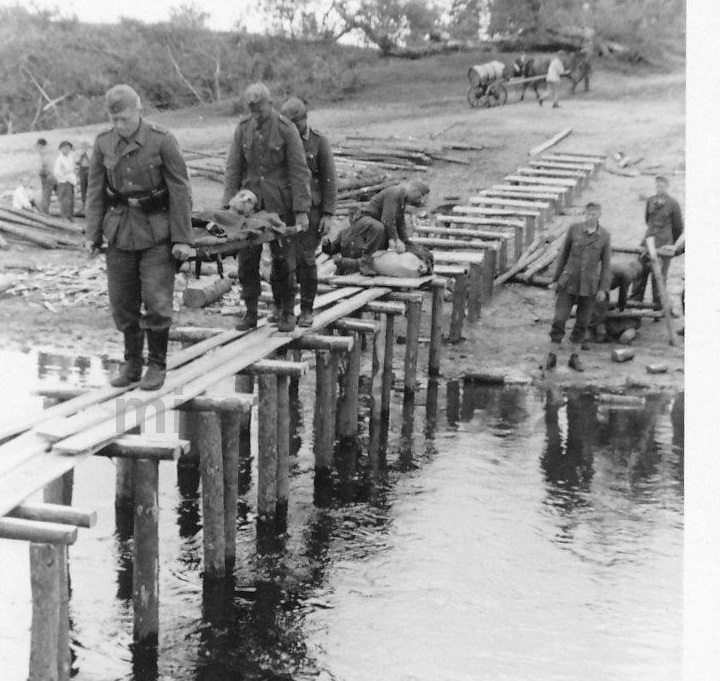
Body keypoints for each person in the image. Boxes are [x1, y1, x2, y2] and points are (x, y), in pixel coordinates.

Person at [84, 84, 194, 391]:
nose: (119, 125)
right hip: (119, 231)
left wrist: (182, 239)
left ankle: (156, 365)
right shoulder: (103, 143)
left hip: (156, 232)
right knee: (122, 303)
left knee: (157, 302)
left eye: (125, 118)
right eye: (114, 120)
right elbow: (95, 192)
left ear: (139, 110)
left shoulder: (162, 140)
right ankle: (132, 363)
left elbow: (180, 190)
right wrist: (92, 234)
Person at [223, 82, 311, 332]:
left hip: (280, 206)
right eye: (252, 111)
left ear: (270, 105)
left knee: (283, 261)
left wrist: (301, 210)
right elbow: (233, 169)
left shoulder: (286, 129)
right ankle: (250, 311)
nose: (257, 115)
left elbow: (299, 170)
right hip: (249, 206)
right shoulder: (243, 129)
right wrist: (228, 207)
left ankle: (287, 311)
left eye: (260, 110)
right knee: (247, 260)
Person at [280, 97, 338, 327]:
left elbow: (329, 179)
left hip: (312, 211)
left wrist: (328, 214)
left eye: (295, 124)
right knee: (283, 260)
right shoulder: (280, 141)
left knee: (306, 259)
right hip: (285, 210)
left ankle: (306, 310)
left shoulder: (318, 142)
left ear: (305, 119)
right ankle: (284, 310)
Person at [546, 202, 612, 372]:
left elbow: (606, 265)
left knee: (582, 322)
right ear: (585, 214)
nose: (591, 217)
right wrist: (556, 279)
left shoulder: (604, 236)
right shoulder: (574, 230)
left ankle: (574, 358)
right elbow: (563, 255)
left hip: (589, 286)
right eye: (588, 214)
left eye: (594, 214)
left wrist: (603, 288)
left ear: (599, 215)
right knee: (559, 319)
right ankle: (552, 356)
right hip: (569, 282)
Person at [323, 179, 429, 273]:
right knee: (378, 227)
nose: (417, 200)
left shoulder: (401, 201)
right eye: (418, 197)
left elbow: (400, 224)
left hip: (376, 230)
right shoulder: (394, 192)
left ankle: (362, 263)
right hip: (368, 222)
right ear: (414, 191)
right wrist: (396, 240)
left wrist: (407, 243)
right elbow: (387, 219)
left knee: (379, 233)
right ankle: (364, 262)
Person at [630, 175, 684, 311]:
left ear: (667, 186)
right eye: (657, 185)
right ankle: (635, 303)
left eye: (661, 185)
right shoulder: (650, 200)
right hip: (648, 241)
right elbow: (647, 220)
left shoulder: (673, 204)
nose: (659, 187)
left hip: (663, 244)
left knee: (659, 276)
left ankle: (658, 308)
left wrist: (670, 242)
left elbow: (678, 227)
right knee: (639, 270)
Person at [588, 257, 643, 343]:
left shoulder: (623, 266)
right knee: (600, 309)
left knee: (597, 306)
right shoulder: (629, 273)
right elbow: (623, 292)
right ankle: (591, 332)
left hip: (598, 278)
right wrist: (621, 306)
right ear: (636, 272)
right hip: (602, 283)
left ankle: (594, 329)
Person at [54, 141, 77, 220]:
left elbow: (72, 169)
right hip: (64, 181)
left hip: (71, 180)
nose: (67, 150)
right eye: (65, 148)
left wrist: (72, 176)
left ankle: (70, 216)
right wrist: (64, 177)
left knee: (71, 199)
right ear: (61, 149)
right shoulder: (60, 159)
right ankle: (64, 217)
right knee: (65, 200)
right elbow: (57, 172)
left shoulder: (70, 157)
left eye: (68, 148)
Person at [35, 138, 56, 214]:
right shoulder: (42, 155)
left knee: (45, 198)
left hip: (49, 178)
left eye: (40, 147)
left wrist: (44, 173)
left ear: (43, 147)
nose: (38, 149)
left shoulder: (46, 156)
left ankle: (45, 215)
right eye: (38, 147)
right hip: (45, 178)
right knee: (45, 197)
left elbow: (47, 169)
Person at [76, 139, 91, 208]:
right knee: (83, 186)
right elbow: (77, 162)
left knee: (90, 185)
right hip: (82, 170)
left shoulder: (90, 153)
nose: (84, 148)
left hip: (89, 169)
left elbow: (92, 162)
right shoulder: (79, 154)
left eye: (85, 147)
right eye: (83, 147)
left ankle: (90, 201)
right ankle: (83, 201)